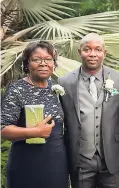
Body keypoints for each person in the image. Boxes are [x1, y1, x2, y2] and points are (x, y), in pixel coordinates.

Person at [58, 33, 119, 188]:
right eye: (87, 49)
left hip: (111, 158)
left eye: (98, 50)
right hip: (80, 160)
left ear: (104, 53)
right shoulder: (65, 82)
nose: (93, 54)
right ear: (79, 52)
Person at [1, 41, 69, 188]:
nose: (43, 63)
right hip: (26, 163)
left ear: (54, 63)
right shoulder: (17, 90)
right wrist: (35, 132)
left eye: (48, 59)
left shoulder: (55, 87)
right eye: (36, 59)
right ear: (27, 64)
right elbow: (4, 129)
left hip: (56, 163)